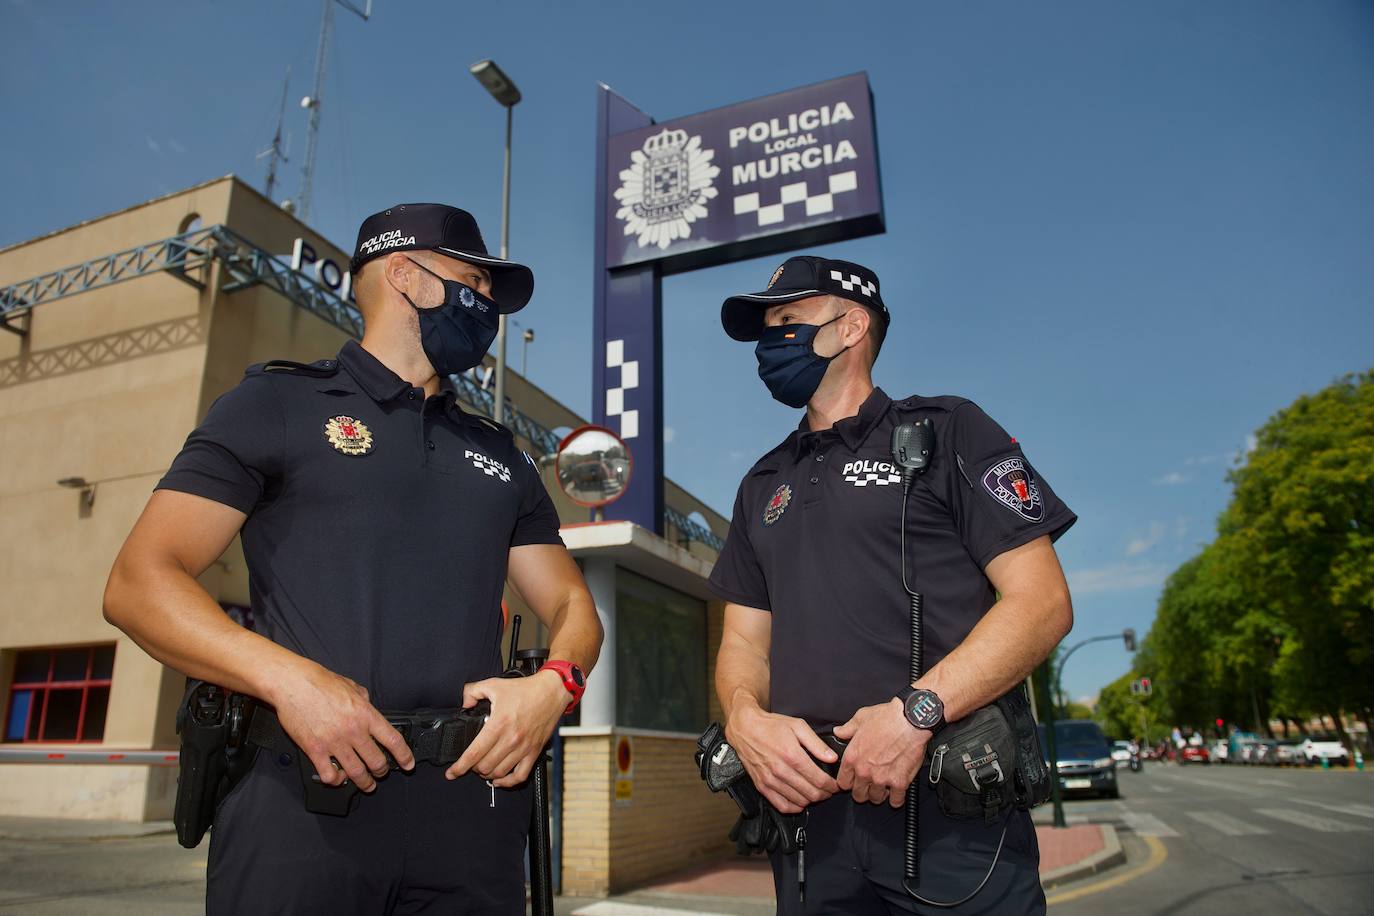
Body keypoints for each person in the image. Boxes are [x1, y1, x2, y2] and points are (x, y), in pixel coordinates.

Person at [103, 203, 603, 915]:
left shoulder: (501, 455)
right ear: (408, 274)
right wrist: (290, 681)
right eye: (474, 281)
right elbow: (138, 584)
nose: (486, 305)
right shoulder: (275, 403)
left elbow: (573, 606)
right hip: (304, 800)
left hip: (471, 806)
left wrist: (555, 686)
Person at [708, 256, 1076, 915]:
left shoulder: (949, 429)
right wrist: (743, 719)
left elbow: (1041, 603)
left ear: (851, 326)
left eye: (787, 320)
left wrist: (916, 712)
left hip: (947, 814)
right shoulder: (761, 484)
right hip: (808, 826)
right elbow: (743, 642)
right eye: (766, 327)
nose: (771, 341)